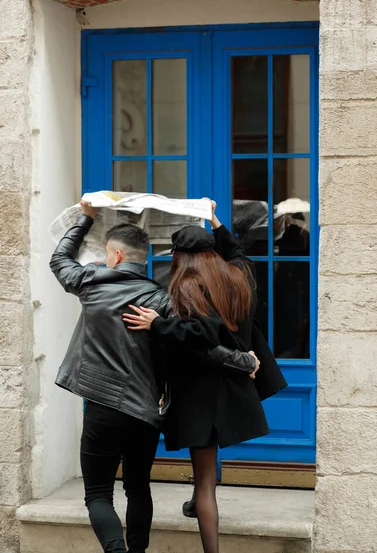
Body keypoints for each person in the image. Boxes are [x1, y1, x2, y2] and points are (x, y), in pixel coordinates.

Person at [49, 200, 261, 553]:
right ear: (143, 258)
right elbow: (200, 343)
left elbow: (60, 260)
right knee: (138, 488)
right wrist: (240, 359)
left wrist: (86, 218)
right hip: (144, 411)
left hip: (101, 407)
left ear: (115, 256)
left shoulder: (90, 282)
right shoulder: (163, 301)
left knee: (98, 494)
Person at [123, 201, 283, 553]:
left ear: (180, 257)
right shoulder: (238, 277)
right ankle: (197, 503)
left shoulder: (188, 288)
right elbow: (239, 253)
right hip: (234, 388)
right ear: (212, 252)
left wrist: (157, 324)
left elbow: (199, 334)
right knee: (207, 469)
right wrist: (216, 223)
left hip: (199, 392)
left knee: (205, 480)